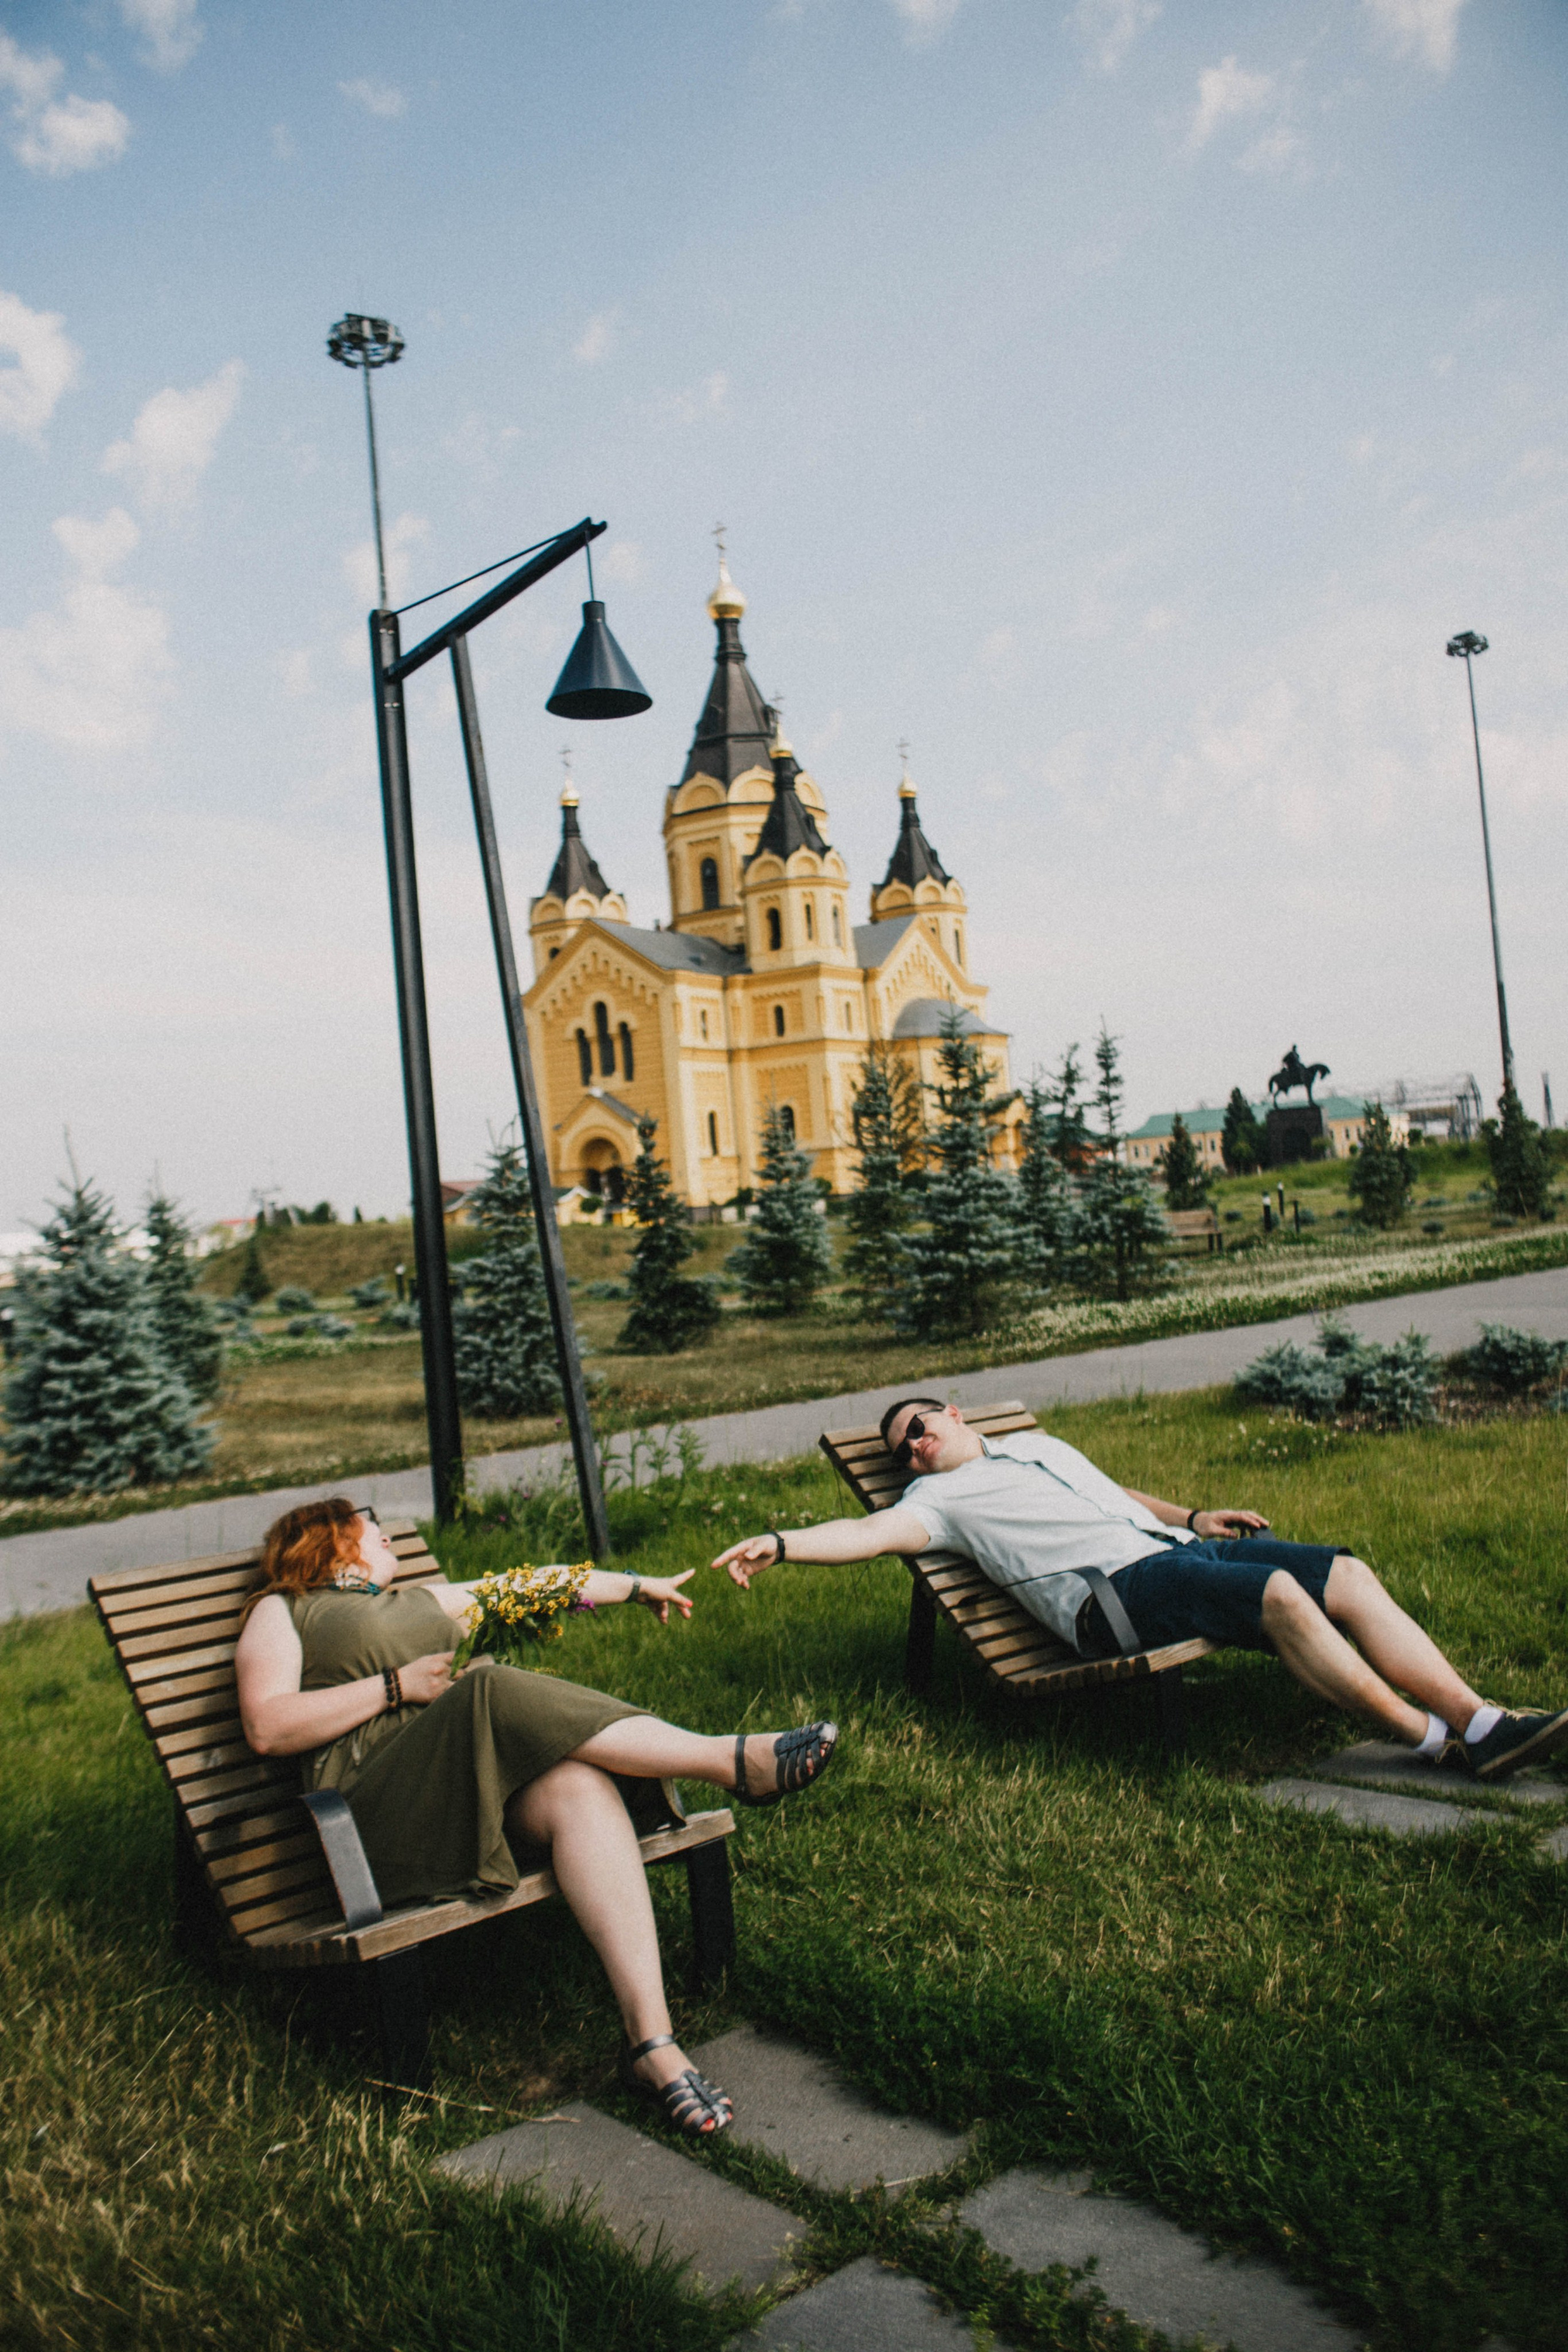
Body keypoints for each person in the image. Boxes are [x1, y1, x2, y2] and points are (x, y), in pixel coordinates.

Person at [236, 1497, 838, 2136]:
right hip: (376, 1822)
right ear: (329, 1539)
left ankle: (652, 2046)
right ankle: (727, 1760)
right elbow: (267, 1727)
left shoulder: (421, 1603)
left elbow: (539, 1585)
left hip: (462, 1792)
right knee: (487, 1685)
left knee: (578, 1787)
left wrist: (637, 1588)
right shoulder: (285, 1609)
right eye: (368, 1521)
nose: (384, 1529)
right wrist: (393, 1688)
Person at [715, 1395, 1568, 1781]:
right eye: (902, 1446)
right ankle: (1431, 1742)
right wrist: (783, 1543)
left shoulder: (1040, 1449)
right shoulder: (932, 1504)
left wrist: (1194, 1516)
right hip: (1110, 1598)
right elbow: (864, 1537)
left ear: (956, 1416)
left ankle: (1483, 1719)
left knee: (1346, 1572)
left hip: (1161, 1548)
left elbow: (1117, 1496)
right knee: (1277, 1595)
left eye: (920, 1427)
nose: (913, 1447)